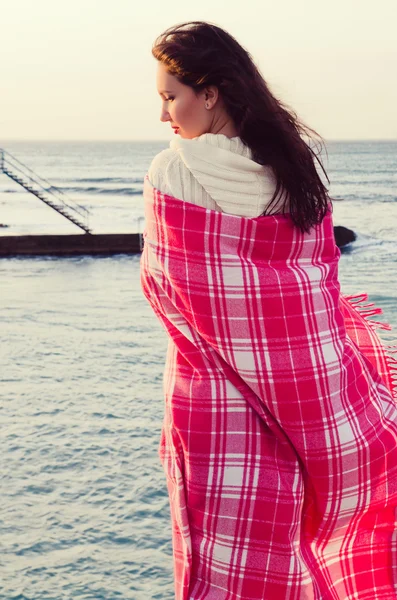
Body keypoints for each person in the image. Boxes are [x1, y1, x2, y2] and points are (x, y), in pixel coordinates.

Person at [140, 21, 397, 600]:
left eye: (170, 98)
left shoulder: (173, 171)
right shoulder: (293, 171)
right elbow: (317, 283)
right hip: (311, 392)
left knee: (225, 549)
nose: (164, 116)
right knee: (305, 532)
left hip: (213, 403)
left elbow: (164, 290)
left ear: (209, 94)